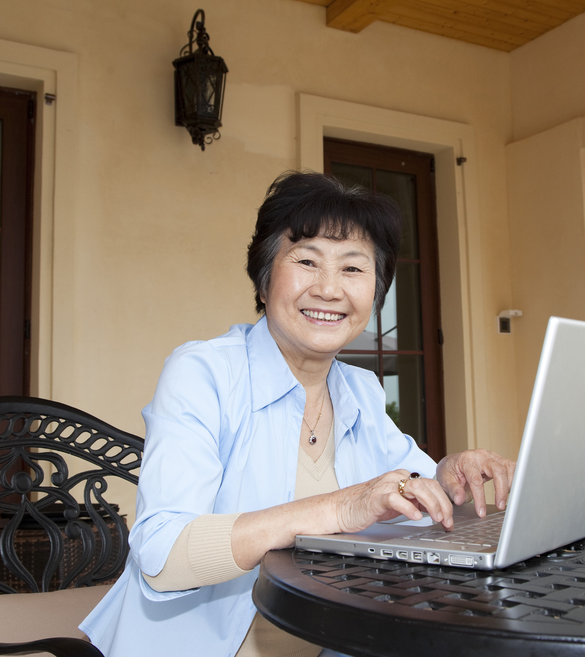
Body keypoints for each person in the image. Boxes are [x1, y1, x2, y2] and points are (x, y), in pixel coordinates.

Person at [81, 172, 515, 656]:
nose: (329, 290)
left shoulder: (359, 389)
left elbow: (409, 490)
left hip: (336, 638)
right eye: (307, 261)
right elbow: (161, 556)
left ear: (376, 292)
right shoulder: (204, 372)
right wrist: (337, 508)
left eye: (353, 269)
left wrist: (451, 480)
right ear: (264, 279)